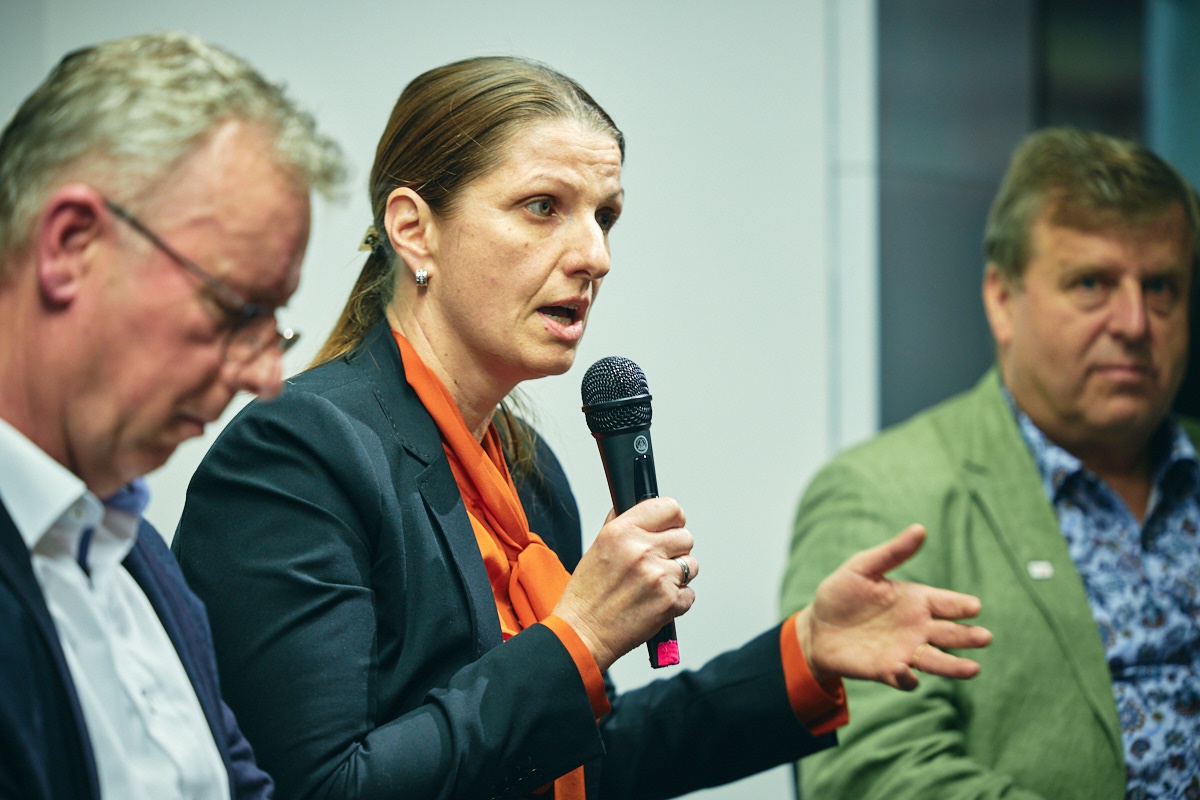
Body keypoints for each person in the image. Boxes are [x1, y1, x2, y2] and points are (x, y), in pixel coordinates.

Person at [172, 55, 990, 800]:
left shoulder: (529, 473)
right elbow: (320, 788)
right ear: (414, 228)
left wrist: (802, 653)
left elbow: (580, 762)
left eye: (605, 216)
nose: (594, 255)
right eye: (543, 208)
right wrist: (581, 637)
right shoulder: (298, 454)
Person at [781, 127, 1199, 799]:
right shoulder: (883, 495)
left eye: (1161, 288)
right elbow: (873, 774)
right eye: (1091, 284)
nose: (1134, 323)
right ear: (1003, 300)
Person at [0, 31, 345, 799]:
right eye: (236, 310)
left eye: (275, 327)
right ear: (70, 246)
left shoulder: (139, 554)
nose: (266, 376)